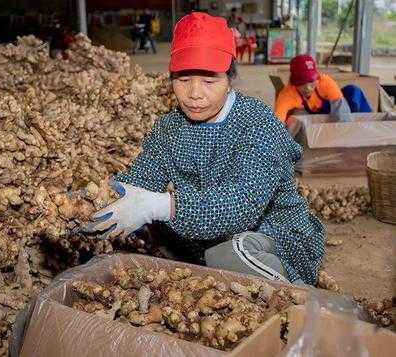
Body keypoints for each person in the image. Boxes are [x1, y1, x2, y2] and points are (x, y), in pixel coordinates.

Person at [86, 12, 324, 286]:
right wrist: (93, 203)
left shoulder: (257, 122)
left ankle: (297, 292)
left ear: (230, 78)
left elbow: (242, 203)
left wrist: (160, 205)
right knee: (156, 243)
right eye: (183, 80)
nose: (195, 93)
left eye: (210, 81)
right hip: (203, 235)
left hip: (273, 236)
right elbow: (142, 180)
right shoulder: (169, 128)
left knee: (226, 253)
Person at [274, 54, 372, 125]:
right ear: (294, 83)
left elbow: (342, 117)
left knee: (353, 92)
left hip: (333, 109)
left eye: (312, 82)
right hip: (314, 114)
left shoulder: (325, 82)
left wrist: (343, 133)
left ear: (317, 78)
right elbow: (276, 124)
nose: (308, 88)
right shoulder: (287, 94)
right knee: (296, 117)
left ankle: (368, 125)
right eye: (303, 84)